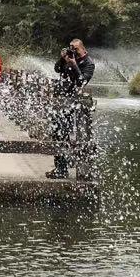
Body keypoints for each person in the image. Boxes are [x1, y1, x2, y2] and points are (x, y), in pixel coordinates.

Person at [47, 39, 94, 178]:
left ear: (83, 49)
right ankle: (60, 168)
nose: (73, 51)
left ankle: (64, 169)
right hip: (60, 101)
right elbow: (57, 69)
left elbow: (81, 82)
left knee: (66, 134)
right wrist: (63, 59)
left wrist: (74, 65)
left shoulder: (89, 63)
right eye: (71, 48)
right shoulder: (69, 58)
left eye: (76, 49)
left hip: (75, 104)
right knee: (57, 133)